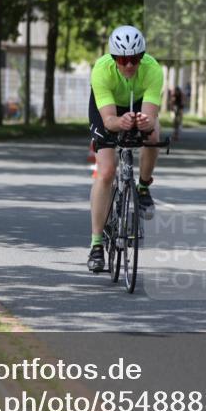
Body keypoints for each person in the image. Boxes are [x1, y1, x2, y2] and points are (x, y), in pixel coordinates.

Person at [87, 25, 163, 273]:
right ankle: (97, 244)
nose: (129, 65)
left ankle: (142, 187)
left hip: (139, 102)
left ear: (142, 57)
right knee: (107, 171)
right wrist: (121, 123)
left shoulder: (152, 70)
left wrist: (144, 123)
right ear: (113, 58)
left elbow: (151, 117)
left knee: (153, 135)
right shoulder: (101, 71)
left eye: (134, 59)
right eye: (122, 60)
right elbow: (109, 121)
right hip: (107, 110)